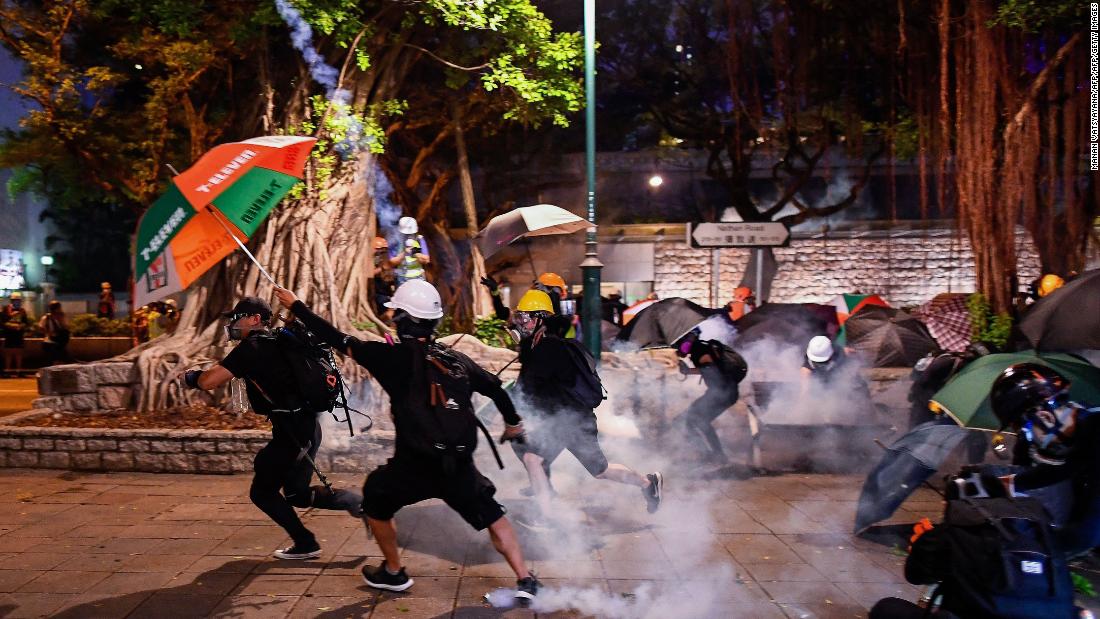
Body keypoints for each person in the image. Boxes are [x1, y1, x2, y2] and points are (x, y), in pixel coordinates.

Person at [272, 281, 542, 603]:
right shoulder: (455, 360)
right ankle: (526, 580)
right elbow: (497, 389)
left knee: (375, 496)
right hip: (458, 465)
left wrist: (297, 307)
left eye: (397, 313)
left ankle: (394, 571)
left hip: (414, 464)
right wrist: (513, 424)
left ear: (404, 320)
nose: (394, 318)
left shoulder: (390, 358)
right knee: (494, 516)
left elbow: (338, 339)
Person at [182, 296, 364, 561]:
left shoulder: (252, 347)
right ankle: (355, 503)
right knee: (297, 494)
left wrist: (191, 377)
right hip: (306, 428)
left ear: (255, 319)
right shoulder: (280, 341)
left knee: (262, 492)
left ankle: (306, 542)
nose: (233, 324)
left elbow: (209, 381)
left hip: (292, 435)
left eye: (237, 317)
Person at [506, 289, 663, 527]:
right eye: (519, 318)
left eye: (525, 318)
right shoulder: (537, 348)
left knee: (559, 463)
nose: (521, 323)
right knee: (539, 459)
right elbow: (533, 389)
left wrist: (500, 393)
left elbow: (528, 389)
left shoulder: (549, 349)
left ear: (540, 319)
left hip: (573, 422)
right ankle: (647, 483)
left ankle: (547, 516)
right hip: (563, 420)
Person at [989, 363, 1100, 557]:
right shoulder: (1087, 428)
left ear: (1044, 416)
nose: (1029, 438)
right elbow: (1065, 468)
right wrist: (1003, 484)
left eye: (1024, 429)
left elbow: (1086, 534)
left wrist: (1030, 546)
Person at [675, 326, 748, 464]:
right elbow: (709, 369)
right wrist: (688, 371)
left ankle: (710, 455)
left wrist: (689, 370)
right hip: (723, 392)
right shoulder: (702, 348)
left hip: (723, 393)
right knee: (698, 421)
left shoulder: (700, 351)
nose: (679, 346)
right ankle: (715, 455)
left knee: (690, 420)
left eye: (682, 342)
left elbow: (710, 370)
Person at [389, 217, 430, 284]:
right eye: (406, 234)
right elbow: (392, 262)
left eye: (411, 234)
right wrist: (404, 253)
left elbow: (427, 259)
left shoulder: (419, 239)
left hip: (418, 276)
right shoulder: (395, 242)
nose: (408, 236)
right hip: (401, 278)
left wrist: (415, 253)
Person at [1, 292, 31, 377]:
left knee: (19, 352)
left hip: (18, 334)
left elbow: (25, 322)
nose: (17, 302)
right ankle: (8, 371)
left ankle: (19, 370)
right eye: (15, 300)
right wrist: (11, 317)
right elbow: (3, 322)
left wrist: (20, 326)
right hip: (9, 334)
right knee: (9, 353)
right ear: (11, 300)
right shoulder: (6, 309)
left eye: (18, 300)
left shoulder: (22, 310)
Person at [371, 236, 397, 323]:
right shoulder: (371, 258)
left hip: (387, 290)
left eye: (384, 249)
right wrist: (382, 268)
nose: (381, 252)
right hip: (376, 291)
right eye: (379, 249)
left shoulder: (386, 258)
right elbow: (367, 273)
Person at [39, 301, 71, 366]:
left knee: (61, 359)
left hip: (60, 342)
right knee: (51, 359)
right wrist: (49, 333)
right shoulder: (46, 318)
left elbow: (66, 327)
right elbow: (41, 328)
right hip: (49, 342)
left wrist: (60, 320)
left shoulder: (62, 316)